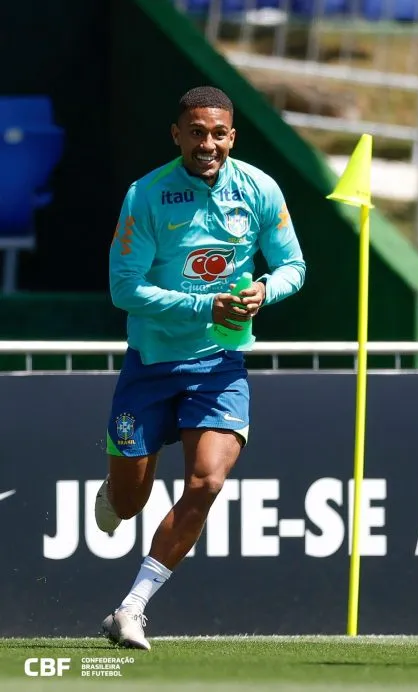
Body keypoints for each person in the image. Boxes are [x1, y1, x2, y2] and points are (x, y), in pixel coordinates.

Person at [97, 86, 306, 650]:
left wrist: (265, 290)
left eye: (218, 133)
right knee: (129, 501)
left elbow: (293, 265)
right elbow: (124, 288)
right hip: (151, 363)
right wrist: (201, 304)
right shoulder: (146, 194)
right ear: (177, 134)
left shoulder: (259, 188)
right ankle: (116, 494)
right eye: (196, 132)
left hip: (219, 362)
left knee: (207, 480)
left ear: (232, 135)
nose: (207, 143)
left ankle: (132, 607)